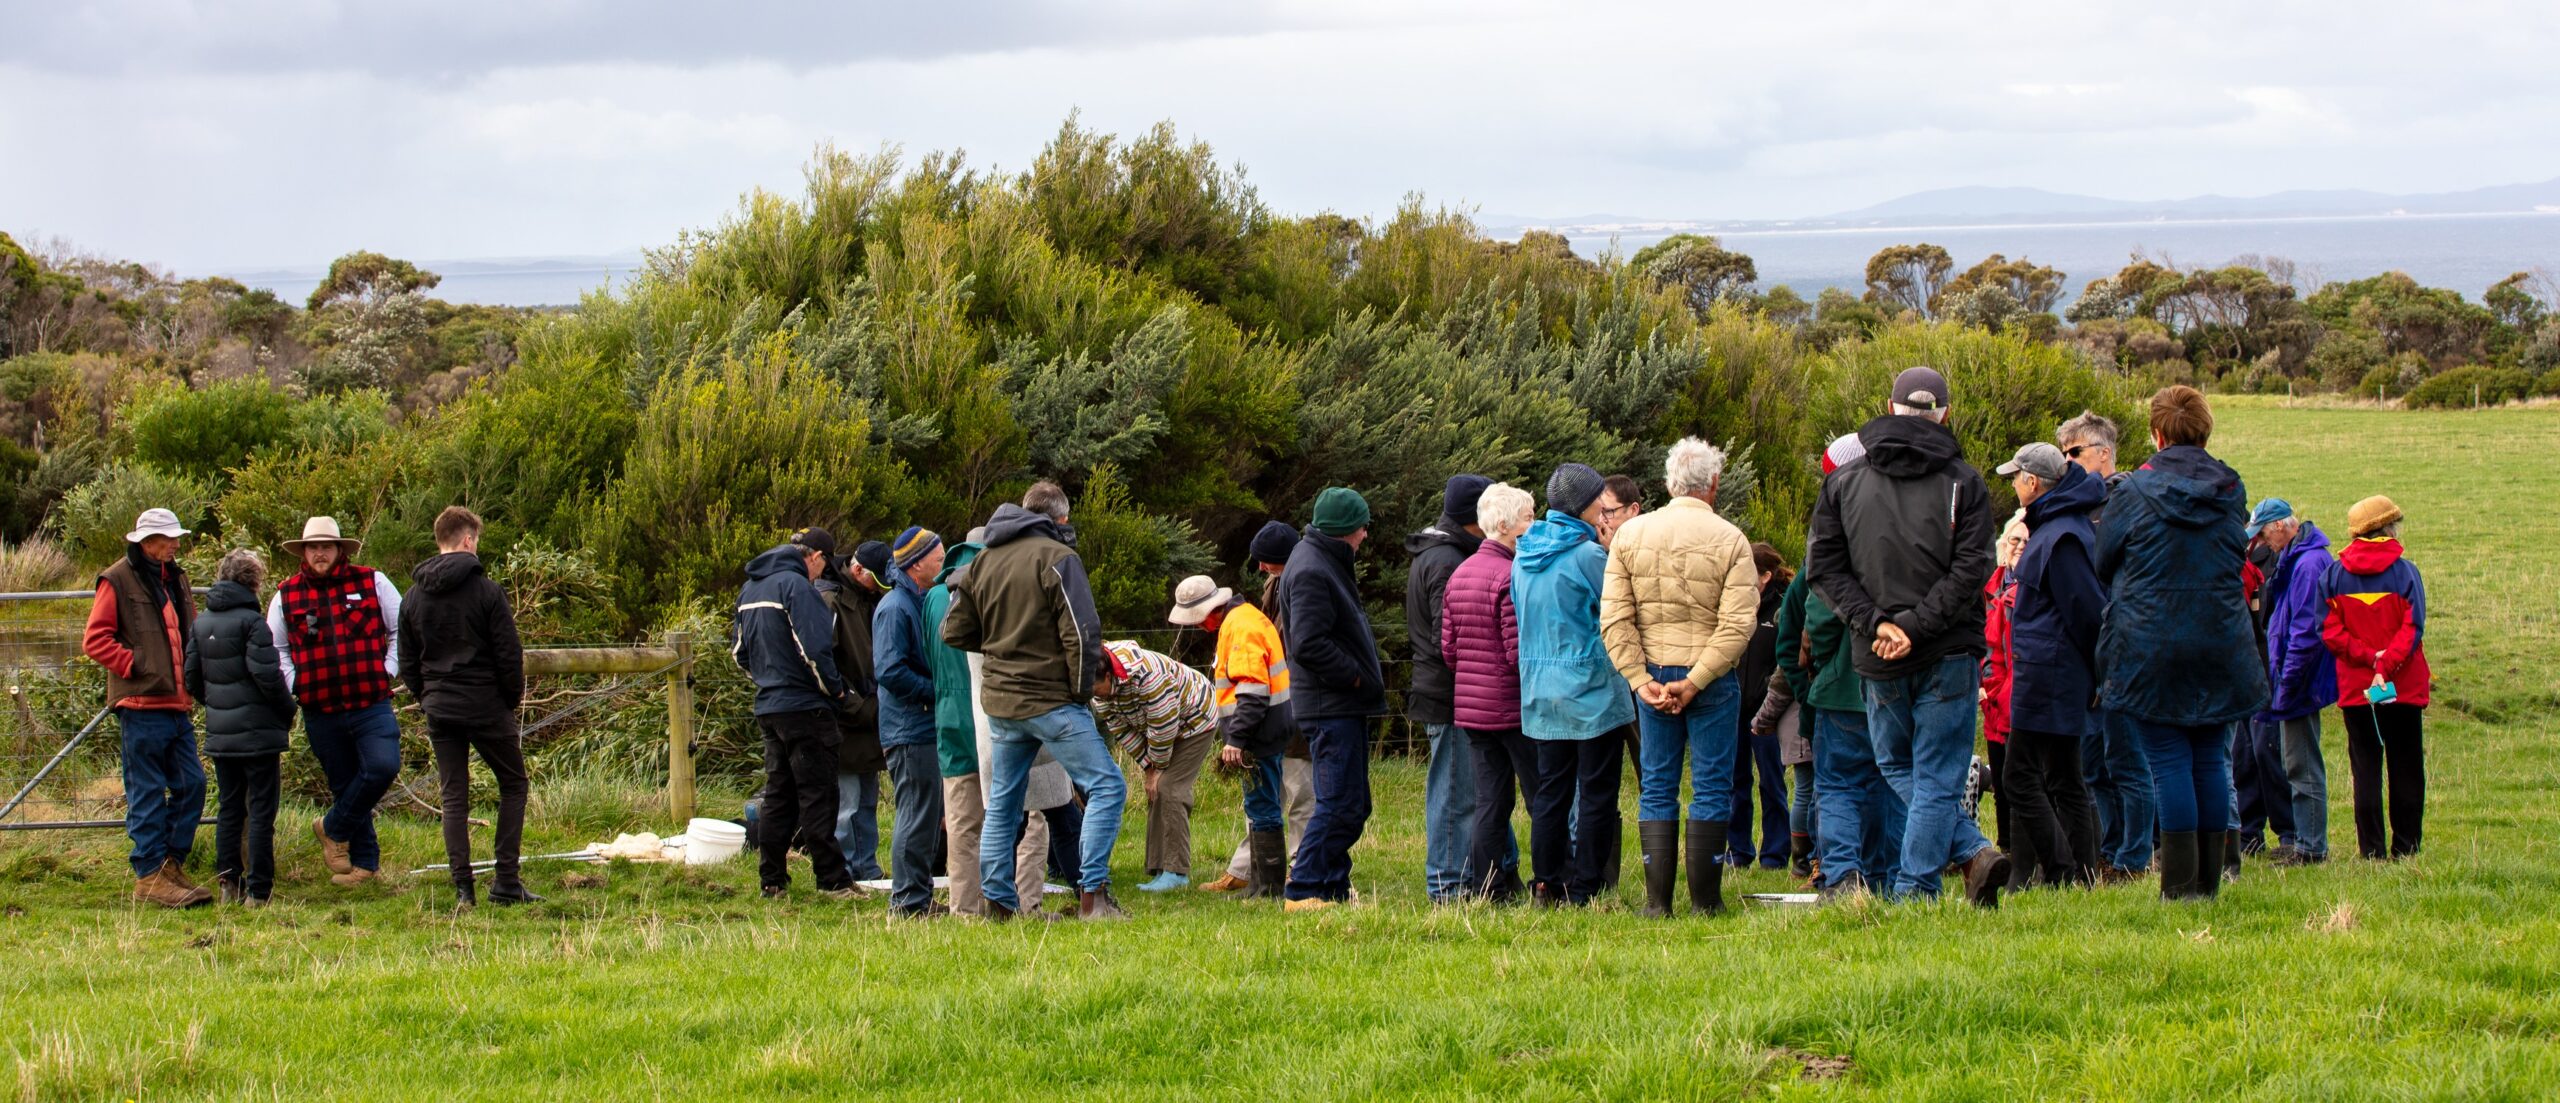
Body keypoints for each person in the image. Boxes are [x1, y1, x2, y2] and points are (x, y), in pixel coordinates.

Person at [1805, 366, 2009, 906]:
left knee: (1900, 763)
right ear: (1942, 413)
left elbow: (1823, 569)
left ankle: (1926, 882)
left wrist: (1881, 625)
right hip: (1944, 650)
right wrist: (1903, 626)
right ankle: (1955, 862)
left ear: (1891, 408)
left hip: (1881, 652)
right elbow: (1972, 570)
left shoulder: (1843, 483)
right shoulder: (1965, 481)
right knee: (1934, 770)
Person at [2096, 386, 2269, 901]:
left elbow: (2105, 562)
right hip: (2220, 639)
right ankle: (2209, 882)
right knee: (2211, 758)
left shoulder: (2132, 493)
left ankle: (2180, 886)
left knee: (2169, 760)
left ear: (2157, 432)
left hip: (2152, 641)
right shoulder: (2230, 489)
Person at [942, 481, 1131, 921]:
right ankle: (1094, 898)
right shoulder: (1058, 558)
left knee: (1004, 803)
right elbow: (1083, 633)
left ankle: (997, 905)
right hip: (1050, 702)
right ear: (1058, 520)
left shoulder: (982, 561)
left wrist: (1000, 647)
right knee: (1107, 785)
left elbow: (952, 631)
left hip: (1002, 706)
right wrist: (1079, 693)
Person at [1598, 442, 1757, 916]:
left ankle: (1656, 903)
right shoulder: (1731, 539)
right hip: (1710, 680)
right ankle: (1706, 901)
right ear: (1713, 485)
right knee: (1711, 784)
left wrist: (1637, 676)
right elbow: (1738, 624)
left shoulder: (1630, 536)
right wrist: (1699, 679)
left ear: (1669, 484)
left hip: (1653, 676)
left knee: (1658, 784)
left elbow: (1614, 618)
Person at [400, 507, 535, 909]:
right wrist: (508, 701)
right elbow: (509, 655)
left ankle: (464, 889)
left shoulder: (413, 596)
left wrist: (426, 697)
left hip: (440, 706)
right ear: (468, 540)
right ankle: (506, 880)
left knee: (454, 796)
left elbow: (407, 661)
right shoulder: (487, 592)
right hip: (486, 704)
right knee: (513, 784)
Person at [1517, 464, 1634, 907]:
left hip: (1540, 690)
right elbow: (1617, 614)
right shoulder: (1588, 556)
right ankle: (1586, 884)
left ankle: (1547, 881)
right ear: (1586, 505)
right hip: (1589, 689)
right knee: (1597, 790)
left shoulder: (1525, 554)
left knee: (1552, 790)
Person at [268, 516, 403, 888]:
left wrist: (388, 669)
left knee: (382, 766)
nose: (320, 553)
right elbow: (275, 650)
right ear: (304, 552)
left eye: (327, 546)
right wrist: (298, 684)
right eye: (313, 547)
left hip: (371, 702)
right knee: (345, 785)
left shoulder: (372, 581)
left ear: (340, 549)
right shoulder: (285, 594)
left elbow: (402, 628)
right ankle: (364, 867)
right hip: (320, 710)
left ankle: (332, 827)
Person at [84, 509, 209, 908]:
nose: (174, 544)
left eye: (175, 537)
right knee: (148, 792)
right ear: (145, 541)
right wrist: (137, 665)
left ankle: (170, 865)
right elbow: (95, 639)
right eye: (166, 538)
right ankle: (150, 873)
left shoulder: (176, 576)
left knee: (193, 785)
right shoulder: (116, 578)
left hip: (177, 702)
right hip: (141, 704)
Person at [1994, 443, 2105, 889]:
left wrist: (2096, 672)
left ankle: (2062, 870)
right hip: (2053, 668)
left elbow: (2087, 610)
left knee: (2018, 777)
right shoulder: (2059, 527)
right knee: (2063, 776)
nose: (2015, 486)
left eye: (2017, 478)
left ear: (2034, 483)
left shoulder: (2060, 536)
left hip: (2051, 672)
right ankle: (2083, 873)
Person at [1277, 487, 1388, 913]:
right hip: (1331, 705)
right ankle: (1304, 888)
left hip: (1339, 704)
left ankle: (1333, 887)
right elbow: (1307, 644)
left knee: (1354, 804)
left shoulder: (1324, 561)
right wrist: (1356, 678)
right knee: (1340, 803)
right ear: (1346, 529)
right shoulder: (1310, 570)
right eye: (1362, 528)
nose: (1364, 536)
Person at [2058, 411, 2155, 882]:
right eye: (2062, 454)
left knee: (2127, 760)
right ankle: (2111, 848)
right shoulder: (2078, 505)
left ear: (2102, 453)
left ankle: (2135, 856)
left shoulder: (2126, 501)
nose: (2067, 460)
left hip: (2124, 647)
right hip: (2087, 652)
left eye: (2073, 452)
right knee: (2095, 763)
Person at [736, 536, 858, 899]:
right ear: (816, 558)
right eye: (825, 565)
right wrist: (835, 690)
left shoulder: (749, 589)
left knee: (778, 795)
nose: (823, 573)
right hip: (806, 707)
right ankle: (832, 881)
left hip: (769, 705)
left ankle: (772, 880)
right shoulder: (797, 588)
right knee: (818, 793)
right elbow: (816, 652)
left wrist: (768, 682)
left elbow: (740, 653)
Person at [1203, 523, 1316, 894]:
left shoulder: (1303, 583)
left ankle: (1298, 870)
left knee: (1297, 792)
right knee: (1267, 796)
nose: (1262, 569)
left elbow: (1256, 685)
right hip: (1276, 708)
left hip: (1291, 706)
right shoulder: (1273, 587)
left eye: (1267, 563)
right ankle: (1249, 871)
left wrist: (1237, 735)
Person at [1169, 573, 1295, 899]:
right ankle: (1260, 884)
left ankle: (1267, 889)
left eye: (1197, 619)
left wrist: (1236, 740)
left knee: (1263, 808)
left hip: (1259, 735)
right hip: (1266, 730)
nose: (1197, 627)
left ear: (1213, 609)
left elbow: (1253, 693)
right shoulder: (1244, 619)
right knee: (1260, 806)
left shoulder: (1241, 629)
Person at [2322, 495, 2430, 860]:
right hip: (2403, 685)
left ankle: (2371, 851)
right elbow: (2413, 629)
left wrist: (2369, 660)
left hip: (2357, 688)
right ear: (2387, 528)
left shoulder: (2334, 575)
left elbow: (2330, 632)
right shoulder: (2406, 572)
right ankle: (2407, 849)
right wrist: (2386, 663)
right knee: (2406, 765)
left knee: (2365, 767)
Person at [1443, 482, 1536, 901]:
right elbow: (1519, 653)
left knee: (1491, 801)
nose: (1532, 526)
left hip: (1472, 711)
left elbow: (1449, 649)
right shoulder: (1510, 575)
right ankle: (1554, 877)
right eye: (1527, 518)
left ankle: (1487, 886)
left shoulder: (1459, 574)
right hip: (1513, 708)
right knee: (1541, 795)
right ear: (1503, 525)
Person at [1407, 473, 1496, 904]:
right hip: (1449, 694)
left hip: (1446, 690)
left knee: (1465, 788)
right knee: (1454, 790)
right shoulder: (1447, 560)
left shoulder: (1440, 551)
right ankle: (1446, 885)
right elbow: (1450, 635)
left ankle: (1474, 877)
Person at [185, 548, 291, 907]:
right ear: (254, 581)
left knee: (230, 808)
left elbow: (192, 679)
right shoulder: (252, 623)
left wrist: (217, 705)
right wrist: (286, 710)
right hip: (259, 733)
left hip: (221, 732)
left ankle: (228, 883)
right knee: (261, 810)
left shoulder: (200, 623)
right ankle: (259, 889)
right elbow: (267, 675)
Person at [2248, 498, 2337, 866]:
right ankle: (2304, 840)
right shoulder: (2298, 558)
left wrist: (2288, 682)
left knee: (2301, 764)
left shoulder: (2308, 563)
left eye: (2265, 533)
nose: (2263, 543)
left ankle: (2311, 847)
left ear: (2282, 526)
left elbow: (2305, 631)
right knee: (2294, 760)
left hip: (2299, 680)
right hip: (2291, 676)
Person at [1091, 640, 1220, 893]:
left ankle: (1176, 873)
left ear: (1108, 675)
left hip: (1196, 718)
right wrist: (1148, 767)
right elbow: (1121, 729)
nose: (1095, 696)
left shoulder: (1148, 677)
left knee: (1171, 787)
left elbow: (1163, 726)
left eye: (1097, 690)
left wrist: (1157, 767)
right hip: (1164, 726)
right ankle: (1157, 867)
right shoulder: (1094, 686)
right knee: (1156, 788)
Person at [873, 526, 948, 918]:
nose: (943, 561)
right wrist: (937, 691)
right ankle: (906, 902)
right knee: (916, 813)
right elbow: (890, 670)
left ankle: (917, 894)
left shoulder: (913, 600)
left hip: (917, 726)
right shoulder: (895, 608)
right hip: (908, 729)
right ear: (917, 564)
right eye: (938, 557)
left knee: (924, 814)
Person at [820, 537, 887, 882]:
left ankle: (866, 866)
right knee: (847, 803)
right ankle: (846, 870)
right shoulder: (830, 601)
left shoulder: (866, 599)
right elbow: (824, 664)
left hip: (869, 713)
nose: (880, 587)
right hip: (845, 716)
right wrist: (851, 703)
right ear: (857, 569)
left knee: (866, 799)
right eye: (875, 580)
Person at [1729, 543, 1794, 871]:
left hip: (1768, 711)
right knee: (1736, 780)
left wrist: (1769, 691)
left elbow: (1788, 656)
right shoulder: (1735, 601)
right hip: (1734, 706)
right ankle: (1738, 850)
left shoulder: (1783, 607)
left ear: (1765, 576)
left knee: (1772, 782)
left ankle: (1775, 853)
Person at [1980, 512, 2026, 855]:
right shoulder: (1991, 587)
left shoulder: (2030, 587)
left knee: (2021, 777)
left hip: (2018, 696)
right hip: (1992, 695)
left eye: (2027, 541)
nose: (2020, 547)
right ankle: (2007, 846)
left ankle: (2028, 852)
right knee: (2000, 778)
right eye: (2014, 540)